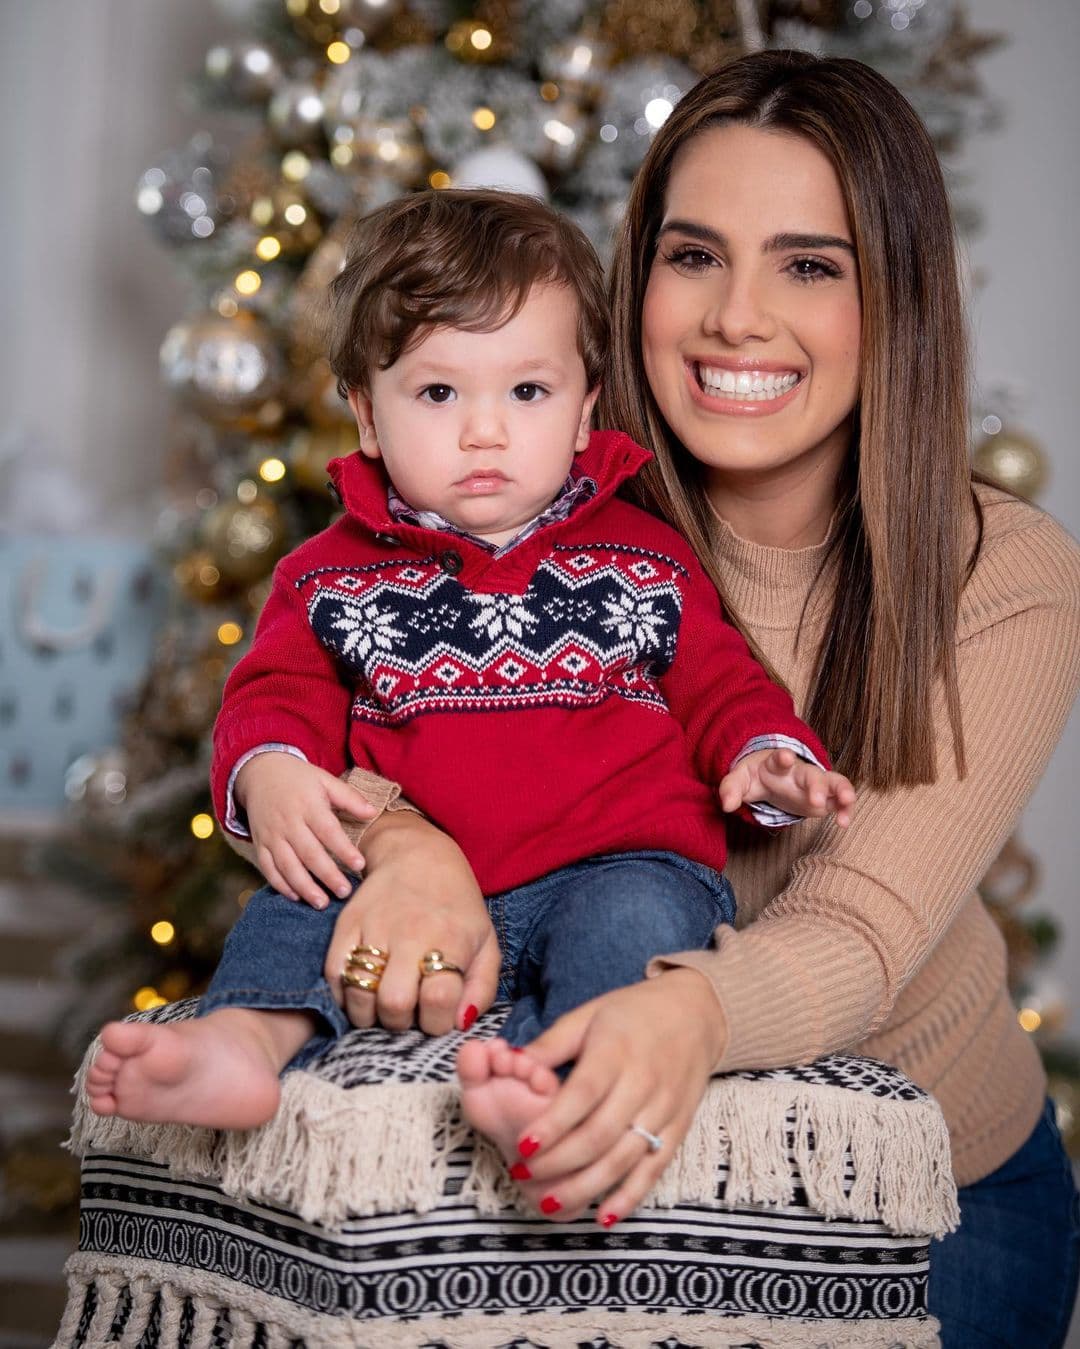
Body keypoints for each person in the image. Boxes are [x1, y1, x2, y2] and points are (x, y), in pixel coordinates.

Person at [296, 52, 1080, 1347]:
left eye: (810, 265)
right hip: (598, 1119)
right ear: (635, 280)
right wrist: (407, 842)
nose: (736, 317)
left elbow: (859, 932)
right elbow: (321, 712)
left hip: (925, 1190)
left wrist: (692, 1009)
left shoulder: (1002, 572)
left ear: (898, 300)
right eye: (695, 255)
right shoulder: (555, 519)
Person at [84, 189, 854, 1159]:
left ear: (585, 409)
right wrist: (269, 770)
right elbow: (274, 696)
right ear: (368, 415)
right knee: (291, 911)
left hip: (613, 860)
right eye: (439, 394)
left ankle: (552, 1082)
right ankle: (245, 1041)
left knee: (636, 932)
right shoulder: (329, 574)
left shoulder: (643, 558)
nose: (484, 431)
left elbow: (722, 682)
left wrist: (767, 753)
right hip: (404, 883)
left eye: (526, 392)